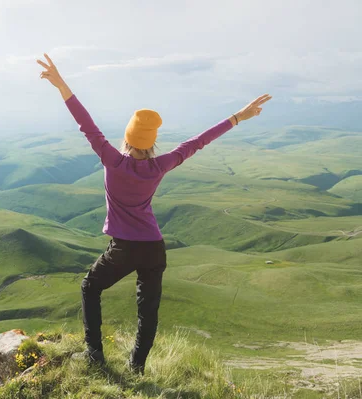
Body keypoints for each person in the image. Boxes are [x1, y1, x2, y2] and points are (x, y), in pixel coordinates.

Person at [37, 53, 271, 374]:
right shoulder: (161, 165)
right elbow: (198, 142)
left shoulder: (112, 160)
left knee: (90, 288)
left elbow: (86, 124)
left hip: (123, 248)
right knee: (148, 311)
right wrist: (237, 117)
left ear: (128, 136)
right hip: (153, 248)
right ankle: (137, 367)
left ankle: (95, 357)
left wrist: (61, 84)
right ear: (152, 141)